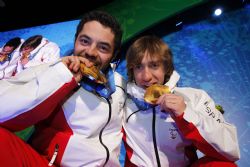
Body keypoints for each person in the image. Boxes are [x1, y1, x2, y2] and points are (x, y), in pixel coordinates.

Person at [0, 10, 126, 166]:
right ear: (75, 40)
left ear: (114, 55)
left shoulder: (123, 87)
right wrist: (61, 75)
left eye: (103, 48)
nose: (90, 52)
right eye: (85, 41)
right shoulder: (49, 70)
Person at [122, 35, 240, 167]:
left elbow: (230, 150)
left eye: (154, 65)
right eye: (139, 67)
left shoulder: (194, 97)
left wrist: (185, 113)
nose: (146, 76)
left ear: (166, 67)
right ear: (132, 70)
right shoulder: (122, 104)